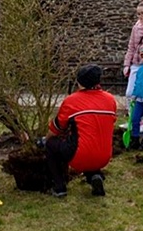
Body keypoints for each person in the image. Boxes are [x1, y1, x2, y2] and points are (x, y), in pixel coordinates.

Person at [45, 64, 117, 197]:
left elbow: (56, 129)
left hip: (79, 156)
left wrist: (46, 139)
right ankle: (94, 175)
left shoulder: (72, 101)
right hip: (105, 156)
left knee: (51, 145)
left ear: (79, 82)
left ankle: (59, 187)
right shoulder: (110, 100)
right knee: (91, 138)